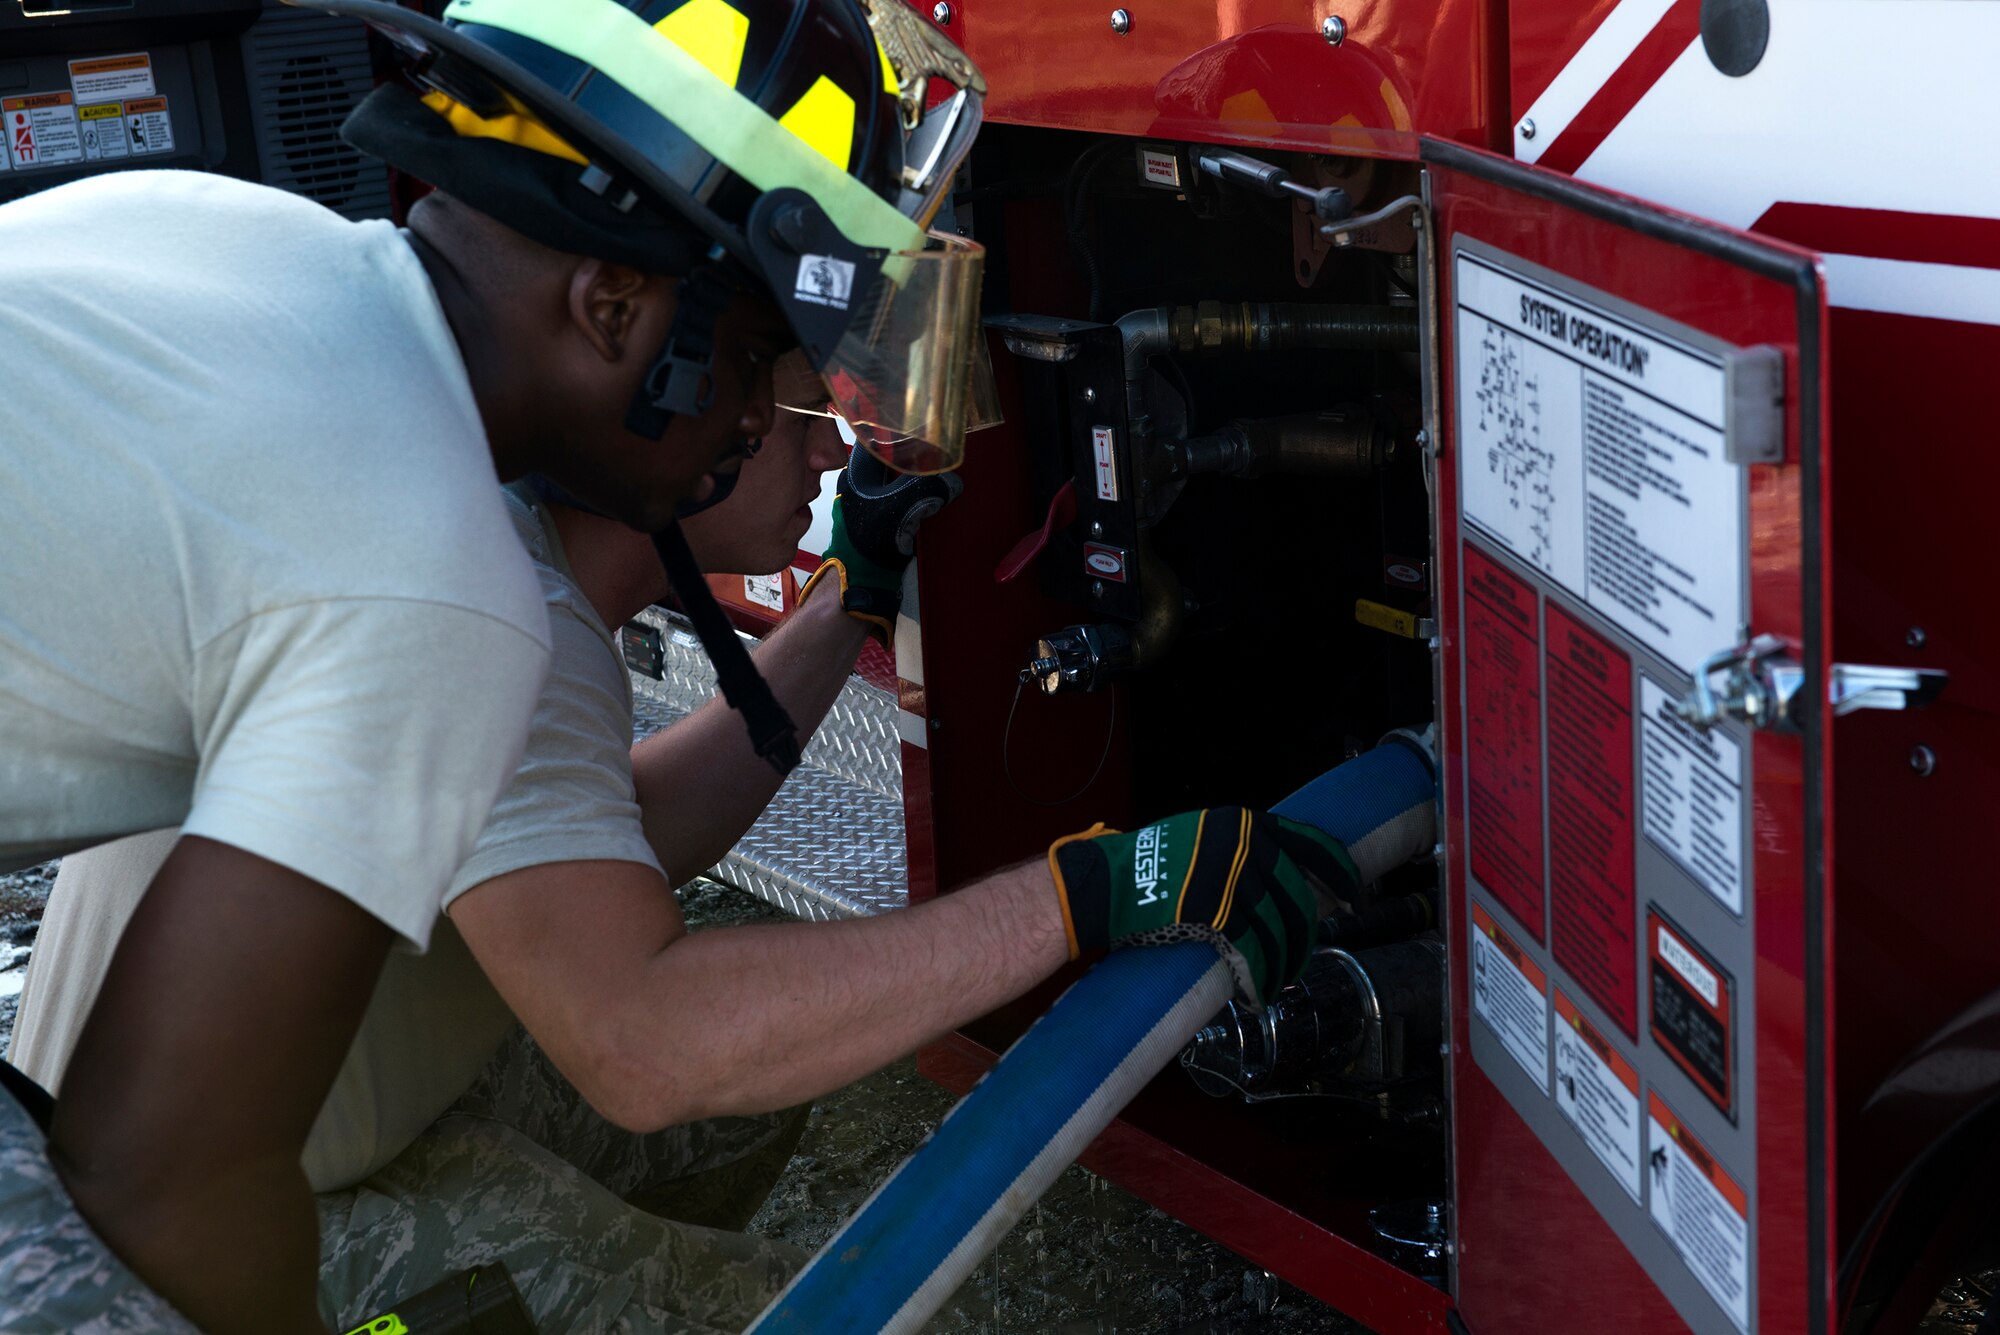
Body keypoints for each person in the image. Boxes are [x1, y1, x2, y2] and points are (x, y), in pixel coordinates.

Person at [1, 1, 1345, 1328]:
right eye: (761, 360)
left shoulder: (264, 259)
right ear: (610, 307)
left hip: (171, 1107)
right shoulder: (428, 568)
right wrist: (1100, 890)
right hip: (135, 1152)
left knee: (758, 1076)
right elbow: (176, 1174)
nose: (776, 418)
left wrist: (849, 607)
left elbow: (610, 847)